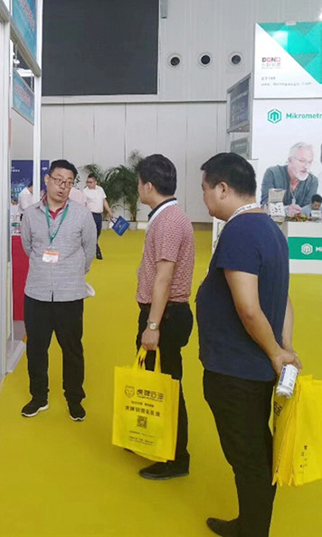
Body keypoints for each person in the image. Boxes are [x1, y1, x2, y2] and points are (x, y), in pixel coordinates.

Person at [197, 152, 301, 537]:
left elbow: (248, 307)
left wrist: (276, 352)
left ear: (223, 188)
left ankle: (253, 530)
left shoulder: (240, 232)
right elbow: (282, 297)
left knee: (249, 457)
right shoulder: (270, 229)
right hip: (252, 366)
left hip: (236, 369)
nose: (205, 198)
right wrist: (284, 346)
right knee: (256, 449)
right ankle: (250, 523)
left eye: (205, 189)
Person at [20, 159, 97, 421]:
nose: (63, 187)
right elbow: (28, 246)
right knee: (36, 349)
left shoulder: (82, 214)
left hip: (70, 294)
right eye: (59, 180)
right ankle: (38, 397)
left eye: (69, 182)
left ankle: (74, 399)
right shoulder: (31, 214)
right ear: (47, 180)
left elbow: (89, 250)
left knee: (72, 349)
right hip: (37, 293)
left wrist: (72, 272)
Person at [134, 155, 195, 480]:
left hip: (166, 316)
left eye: (138, 183)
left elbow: (164, 278)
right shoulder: (167, 216)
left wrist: (152, 326)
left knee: (168, 387)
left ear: (148, 186)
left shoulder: (168, 221)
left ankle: (176, 458)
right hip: (162, 314)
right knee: (153, 382)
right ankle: (147, 435)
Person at [260, 142, 318, 216]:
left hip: (299, 223)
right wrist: (286, 210)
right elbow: (265, 207)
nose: (306, 166)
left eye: (309, 162)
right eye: (302, 161)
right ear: (290, 160)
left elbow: (308, 211)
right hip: (273, 222)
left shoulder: (312, 181)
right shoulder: (272, 174)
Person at [82, 173, 114, 260]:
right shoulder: (85, 191)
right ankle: (97, 251)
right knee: (92, 233)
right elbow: (84, 204)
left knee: (98, 233)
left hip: (99, 215)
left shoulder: (100, 189)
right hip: (90, 215)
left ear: (95, 182)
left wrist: (109, 212)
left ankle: (93, 248)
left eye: (91, 182)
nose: (89, 184)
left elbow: (104, 201)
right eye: (87, 182)